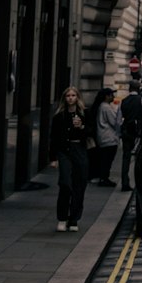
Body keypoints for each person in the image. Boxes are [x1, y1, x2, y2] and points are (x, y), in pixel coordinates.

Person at [50, 85, 90, 232]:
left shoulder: (84, 114)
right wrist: (53, 158)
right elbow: (53, 138)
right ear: (64, 98)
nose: (71, 98)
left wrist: (81, 127)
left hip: (79, 150)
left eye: (73, 95)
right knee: (65, 184)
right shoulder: (59, 116)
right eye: (68, 96)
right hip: (64, 152)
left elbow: (91, 133)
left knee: (79, 186)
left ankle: (74, 219)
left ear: (77, 98)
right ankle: (62, 218)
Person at [90, 87, 121, 186]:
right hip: (108, 137)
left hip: (103, 137)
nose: (113, 97)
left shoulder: (101, 106)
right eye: (111, 95)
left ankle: (103, 177)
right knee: (107, 160)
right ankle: (104, 178)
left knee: (104, 159)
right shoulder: (106, 107)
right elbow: (114, 122)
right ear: (106, 96)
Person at [119, 78, 142, 191]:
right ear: (138, 89)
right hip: (138, 132)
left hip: (126, 131)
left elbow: (119, 119)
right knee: (139, 158)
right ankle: (139, 182)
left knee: (126, 158)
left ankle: (125, 182)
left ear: (129, 88)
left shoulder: (124, 101)